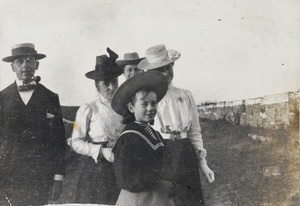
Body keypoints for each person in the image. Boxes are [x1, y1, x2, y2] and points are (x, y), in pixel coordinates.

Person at [138, 44, 215, 206]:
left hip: (185, 152)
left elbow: (194, 131)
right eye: (160, 70)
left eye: (169, 67)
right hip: (161, 152)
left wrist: (203, 163)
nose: (166, 73)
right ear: (151, 72)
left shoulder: (184, 95)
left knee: (189, 200)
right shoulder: (148, 99)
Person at [0, 43, 66, 205]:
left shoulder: (50, 97)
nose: (25, 65)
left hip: (41, 176)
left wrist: (58, 178)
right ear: (12, 67)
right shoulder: (2, 98)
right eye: (20, 61)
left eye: (29, 60)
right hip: (9, 176)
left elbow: (59, 140)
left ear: (37, 65)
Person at [67, 48, 125, 204]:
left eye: (114, 82)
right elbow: (75, 142)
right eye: (106, 83)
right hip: (97, 171)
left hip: (123, 169)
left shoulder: (126, 108)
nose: (111, 87)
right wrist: (100, 151)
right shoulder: (88, 109)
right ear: (97, 86)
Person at [111, 71, 174, 206]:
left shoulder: (155, 133)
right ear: (131, 107)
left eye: (154, 103)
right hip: (139, 199)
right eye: (144, 104)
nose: (150, 108)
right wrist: (158, 181)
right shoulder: (129, 137)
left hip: (158, 196)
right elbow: (125, 177)